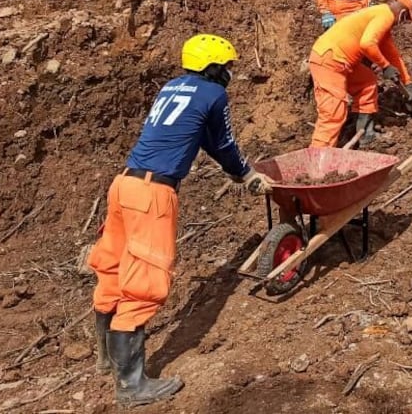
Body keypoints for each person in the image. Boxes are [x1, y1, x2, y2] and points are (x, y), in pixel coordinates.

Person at [88, 34, 273, 407]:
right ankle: (132, 386)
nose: (230, 74)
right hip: (153, 195)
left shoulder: (173, 87)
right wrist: (247, 174)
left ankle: (106, 360)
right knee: (145, 282)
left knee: (112, 268)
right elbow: (221, 143)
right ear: (213, 68)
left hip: (124, 184)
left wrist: (241, 174)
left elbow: (199, 138)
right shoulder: (213, 94)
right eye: (227, 67)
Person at [308, 0, 412, 148]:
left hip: (338, 61)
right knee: (333, 113)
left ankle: (365, 135)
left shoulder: (379, 16)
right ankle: (317, 159)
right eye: (405, 18)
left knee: (367, 83)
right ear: (402, 12)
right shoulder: (385, 15)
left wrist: (407, 82)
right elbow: (367, 44)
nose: (401, 22)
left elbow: (393, 55)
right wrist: (385, 66)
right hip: (329, 60)